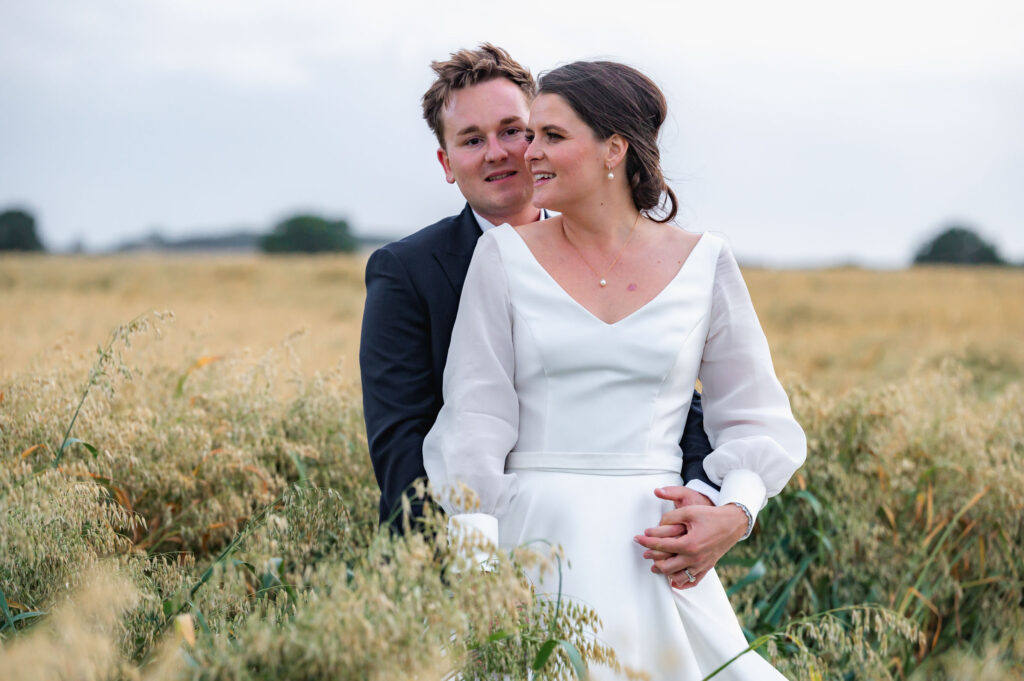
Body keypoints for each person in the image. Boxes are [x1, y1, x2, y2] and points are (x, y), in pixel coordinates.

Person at [422, 60, 806, 679]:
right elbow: (476, 419)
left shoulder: (706, 261)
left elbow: (756, 416)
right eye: (531, 135)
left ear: (614, 148)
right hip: (532, 544)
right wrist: (477, 572)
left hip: (653, 552)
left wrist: (733, 514)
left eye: (551, 136)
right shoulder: (502, 256)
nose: (528, 155)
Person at [359, 44, 741, 585]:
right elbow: (402, 446)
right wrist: (471, 576)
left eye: (514, 130)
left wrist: (707, 507)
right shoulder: (406, 270)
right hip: (468, 562)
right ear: (447, 164)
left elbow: (675, 400)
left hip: (635, 549)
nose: (499, 152)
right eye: (471, 140)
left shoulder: (649, 254)